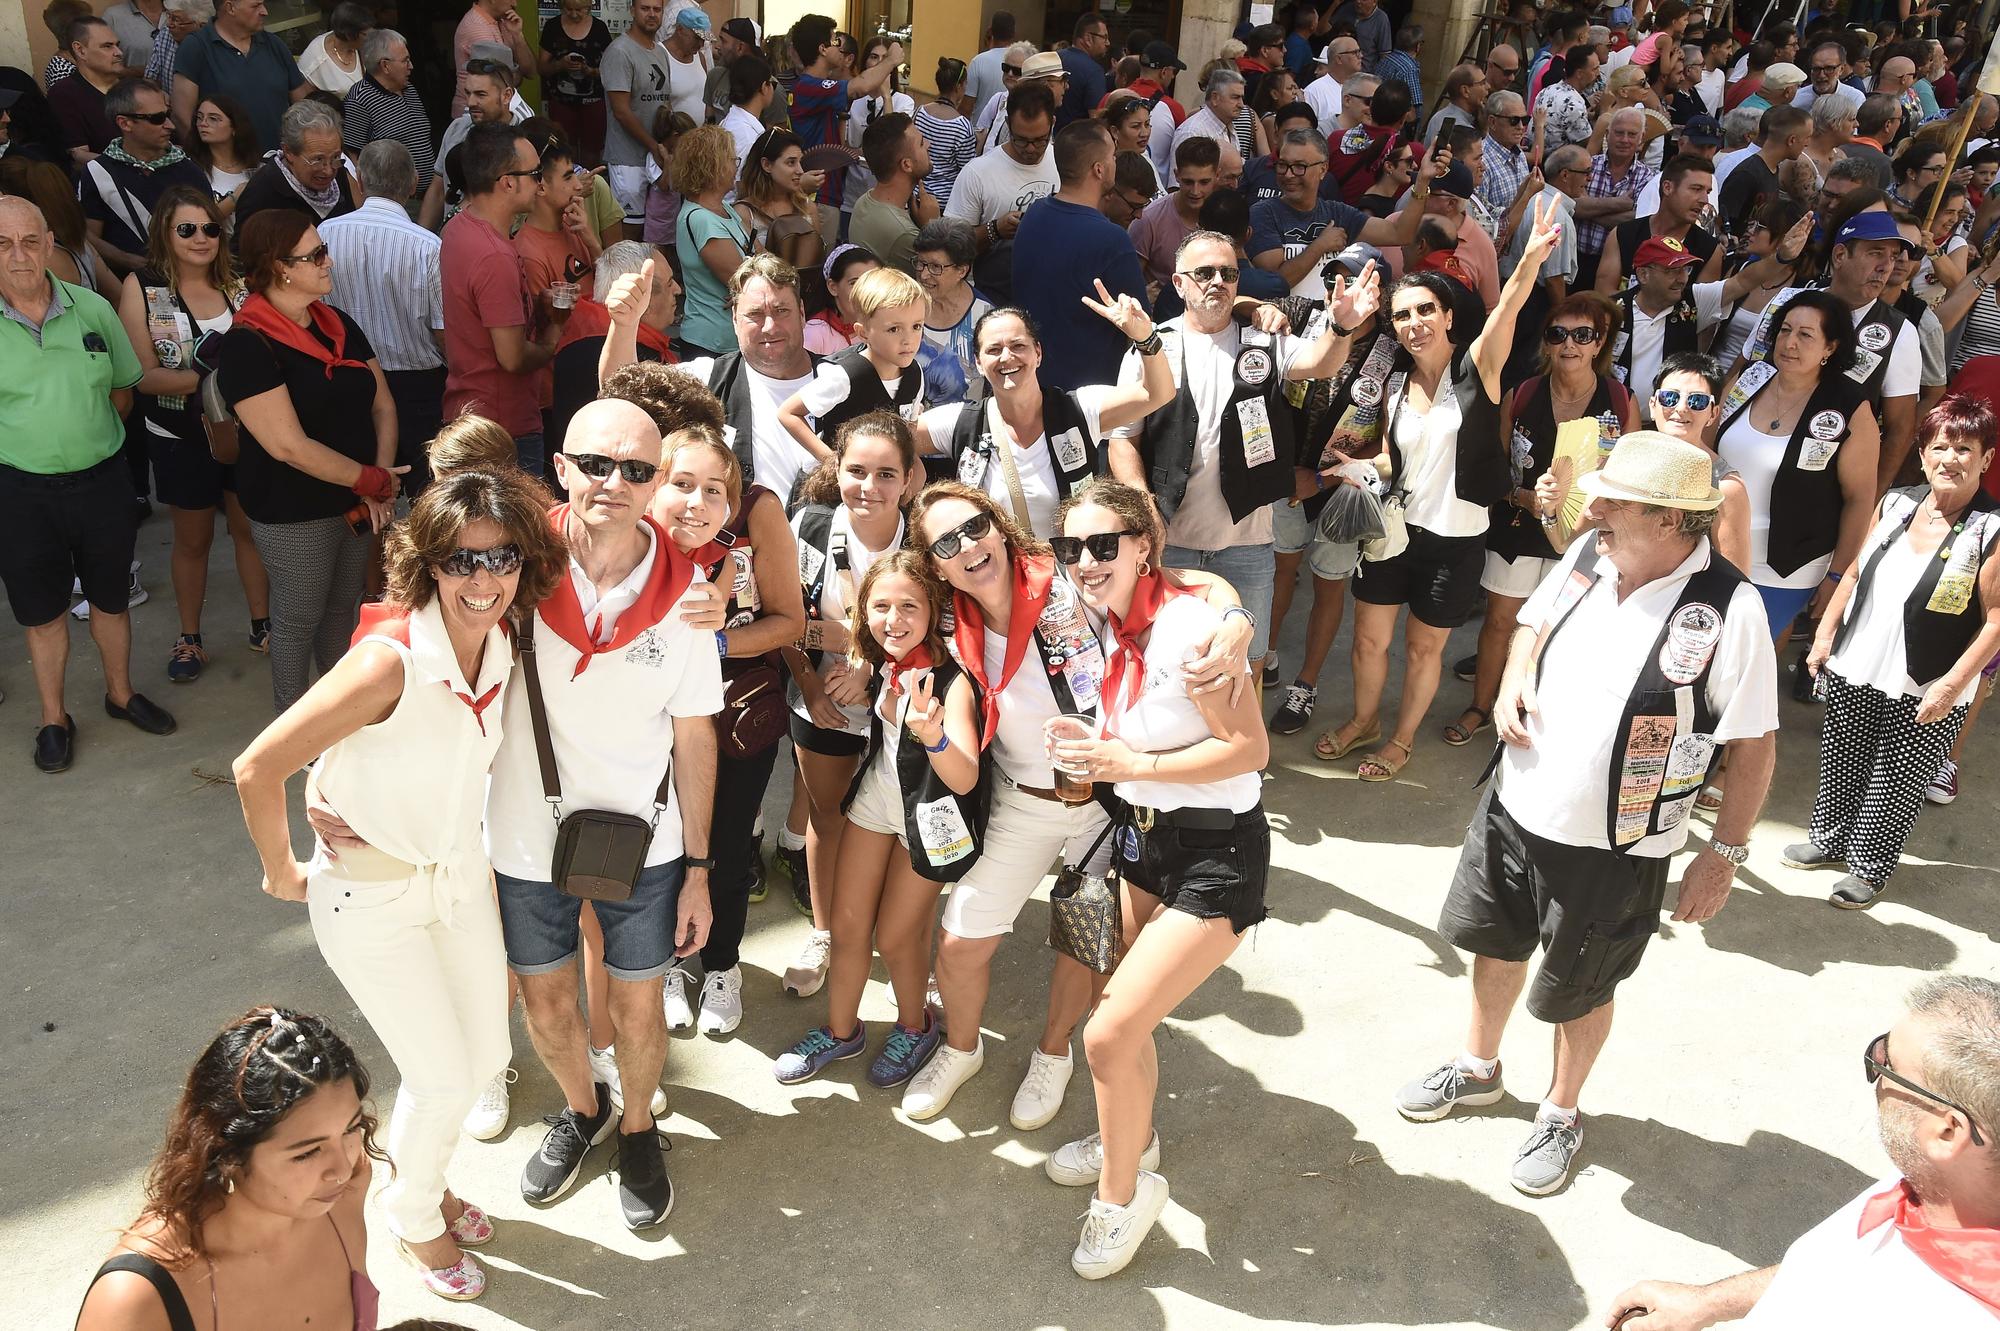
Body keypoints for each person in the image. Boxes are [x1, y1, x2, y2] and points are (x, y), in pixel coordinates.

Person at [1395, 430, 1777, 1197]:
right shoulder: (1589, 554)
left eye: (1614, 500)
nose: (1591, 507)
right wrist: (1510, 683)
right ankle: (1478, 1067)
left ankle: (1562, 1110)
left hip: (1618, 844)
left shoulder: (1729, 607)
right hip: (1515, 805)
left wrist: (1723, 855)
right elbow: (1532, 622)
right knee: (1494, 943)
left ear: (1672, 520)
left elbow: (1757, 742)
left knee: (1583, 983)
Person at [233, 467, 562, 1298]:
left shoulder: (507, 637)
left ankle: (432, 1178)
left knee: (485, 1053)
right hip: (371, 900)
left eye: (502, 559)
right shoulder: (388, 661)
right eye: (461, 562)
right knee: (442, 1075)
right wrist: (282, 870)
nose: (483, 580)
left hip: (456, 881)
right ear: (428, 566)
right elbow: (256, 765)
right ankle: (415, 1217)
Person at [1046, 477, 1271, 1280]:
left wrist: (1131, 761)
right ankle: (1130, 1141)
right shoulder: (1103, 620)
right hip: (1144, 842)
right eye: (1072, 546)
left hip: (1217, 854)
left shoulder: (1187, 633)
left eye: (1104, 544)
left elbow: (1250, 750)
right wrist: (1094, 756)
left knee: (1106, 1032)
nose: (1085, 560)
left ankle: (1122, 1196)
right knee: (1126, 1026)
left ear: (1144, 546)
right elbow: (1207, 582)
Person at [1314, 201, 1561, 781]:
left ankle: (1400, 739)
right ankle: (1365, 721)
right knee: (1368, 643)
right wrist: (1356, 466)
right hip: (1393, 534)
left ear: (1449, 317)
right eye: (1403, 315)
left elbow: (1509, 309)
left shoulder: (1478, 368)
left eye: (1426, 310)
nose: (1414, 322)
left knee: (1425, 650)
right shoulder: (1396, 383)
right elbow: (1398, 458)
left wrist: (1527, 259)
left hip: (1456, 540)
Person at [1608, 975, 2000, 1326]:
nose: (1876, 1070)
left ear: (1948, 1132)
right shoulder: (1938, 1185)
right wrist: (1707, 1302)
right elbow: (1826, 1271)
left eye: (1887, 1064)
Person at [1107, 231, 1386, 704]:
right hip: (1170, 540)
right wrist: (1141, 504)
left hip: (1249, 541)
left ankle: (1244, 763)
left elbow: (1319, 363)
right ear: (1178, 283)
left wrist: (1340, 328)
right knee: (1168, 655)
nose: (1217, 282)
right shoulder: (1151, 348)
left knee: (1250, 659)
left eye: (1228, 273)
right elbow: (1123, 442)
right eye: (1204, 273)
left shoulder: (1265, 339)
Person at [1786, 397, 2000, 909]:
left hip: (1929, 675)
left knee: (1896, 779)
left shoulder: (1992, 529)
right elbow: (1857, 570)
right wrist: (1822, 636)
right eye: (1939, 447)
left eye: (1964, 448)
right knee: (1843, 756)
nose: (1950, 458)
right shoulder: (1899, 503)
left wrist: (1952, 687)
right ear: (1923, 455)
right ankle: (1829, 837)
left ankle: (1870, 866)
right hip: (1859, 658)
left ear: (1986, 458)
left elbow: (1996, 620)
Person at [770, 539, 971, 1087]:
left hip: (928, 820)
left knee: (897, 937)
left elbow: (968, 774)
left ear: (933, 611)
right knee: (848, 925)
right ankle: (841, 1034)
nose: (894, 619)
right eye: (881, 607)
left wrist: (932, 736)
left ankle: (915, 1025)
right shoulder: (885, 660)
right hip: (875, 806)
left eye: (909, 606)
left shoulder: (949, 679)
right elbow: (823, 632)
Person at [0, 196, 174, 773]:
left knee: (110, 598)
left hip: (101, 482)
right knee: (44, 613)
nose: (19, 255)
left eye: (30, 241)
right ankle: (54, 717)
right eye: (3, 244)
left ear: (51, 243)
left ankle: (120, 694)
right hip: (22, 493)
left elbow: (123, 392)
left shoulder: (93, 310)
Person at [74, 1007, 382, 1330]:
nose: (341, 1169)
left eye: (350, 1129)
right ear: (227, 1153)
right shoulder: (135, 1298)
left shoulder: (342, 1193)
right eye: (306, 1153)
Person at [646, 424, 804, 1034]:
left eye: (714, 488)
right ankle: (664, 965)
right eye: (680, 483)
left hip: (735, 708)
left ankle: (722, 965)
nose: (697, 501)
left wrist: (713, 641)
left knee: (729, 843)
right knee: (659, 845)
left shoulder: (753, 523)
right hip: (652, 716)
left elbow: (790, 621)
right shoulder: (631, 542)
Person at [215, 207, 397, 719]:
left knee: (342, 611)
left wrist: (376, 483)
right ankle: (293, 728)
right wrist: (373, 479)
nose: (328, 261)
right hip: (294, 509)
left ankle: (341, 715)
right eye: (315, 254)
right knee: (298, 621)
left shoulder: (337, 323)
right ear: (280, 268)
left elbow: (382, 403)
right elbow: (287, 446)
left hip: (355, 497)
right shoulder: (248, 345)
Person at [1444, 294, 1636, 751]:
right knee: (1500, 620)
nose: (1569, 344)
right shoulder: (1524, 392)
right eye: (1558, 334)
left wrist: (1599, 512)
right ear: (1546, 343)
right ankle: (1482, 705)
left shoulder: (1620, 399)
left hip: (1587, 533)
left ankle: (1542, 710)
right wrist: (1522, 497)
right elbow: (1494, 464)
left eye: (1582, 335)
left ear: (1599, 343)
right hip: (1519, 526)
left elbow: (1629, 472)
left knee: (1566, 627)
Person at [777, 411, 916, 999]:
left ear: (909, 479)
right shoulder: (805, 526)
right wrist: (811, 681)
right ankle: (827, 931)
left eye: (887, 474)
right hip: (822, 697)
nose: (869, 487)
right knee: (825, 815)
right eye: (856, 471)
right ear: (836, 471)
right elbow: (779, 620)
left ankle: (904, 943)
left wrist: (872, 665)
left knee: (906, 824)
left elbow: (946, 630)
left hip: (906, 702)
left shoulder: (930, 539)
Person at [115, 185, 268, 683]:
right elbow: (141, 376)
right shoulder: (143, 286)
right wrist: (216, 377)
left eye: (210, 228)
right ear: (165, 231)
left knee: (249, 529)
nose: (201, 238)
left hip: (246, 430)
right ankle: (190, 638)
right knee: (193, 538)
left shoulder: (239, 283)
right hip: (178, 434)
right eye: (187, 229)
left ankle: (262, 625)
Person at [915, 295, 1173, 539]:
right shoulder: (962, 422)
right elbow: (890, 439)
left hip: (1074, 574)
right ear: (979, 363)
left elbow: (1157, 394)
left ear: (1038, 353)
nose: (1007, 357)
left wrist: (1145, 337)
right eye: (994, 350)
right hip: (996, 580)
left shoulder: (1080, 410)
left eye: (1018, 346)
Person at [1719, 285, 1884, 643]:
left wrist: (1837, 576)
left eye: (1805, 335)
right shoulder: (1750, 379)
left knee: (1740, 657)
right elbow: (1706, 447)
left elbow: (1859, 499)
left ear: (1831, 347)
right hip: (1716, 551)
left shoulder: (1849, 408)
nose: (1789, 342)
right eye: (1785, 330)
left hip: (1786, 568)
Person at [320, 140, 445, 498]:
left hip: (348, 378)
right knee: (429, 495)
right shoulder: (426, 246)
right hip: (419, 386)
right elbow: (442, 331)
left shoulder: (325, 234)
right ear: (413, 183)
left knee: (363, 492)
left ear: (358, 180)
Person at [442, 122, 559, 477]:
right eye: (535, 173)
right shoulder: (494, 255)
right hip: (503, 429)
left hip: (469, 413)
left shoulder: (458, 227)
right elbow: (512, 358)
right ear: (508, 181)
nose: (541, 183)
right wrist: (553, 333)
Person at [786, 15, 904, 239]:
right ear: (822, 49)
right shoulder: (810, 87)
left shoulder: (814, 87)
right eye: (834, 41)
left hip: (828, 195)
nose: (840, 49)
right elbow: (860, 86)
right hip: (817, 197)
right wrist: (890, 61)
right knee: (817, 268)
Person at [79, 77, 210, 280]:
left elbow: (210, 229)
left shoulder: (189, 169)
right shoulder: (98, 172)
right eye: (157, 118)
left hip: (191, 282)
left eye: (168, 115)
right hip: (132, 287)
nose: (170, 125)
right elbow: (89, 237)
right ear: (125, 123)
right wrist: (127, 260)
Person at [946, 80, 1061, 303]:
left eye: (1039, 140)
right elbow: (951, 245)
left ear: (1053, 123)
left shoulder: (1064, 163)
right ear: (1007, 124)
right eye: (1021, 140)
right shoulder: (977, 173)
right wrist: (995, 230)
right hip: (993, 299)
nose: (1030, 149)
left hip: (1051, 296)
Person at [553, 242, 678, 446]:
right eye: (670, 283)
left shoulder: (579, 329)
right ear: (640, 296)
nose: (678, 290)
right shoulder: (628, 353)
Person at [170, 0, 307, 156]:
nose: (265, 11)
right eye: (256, 6)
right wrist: (208, 162)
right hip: (226, 168)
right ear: (230, 8)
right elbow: (182, 116)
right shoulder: (196, 47)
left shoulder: (274, 45)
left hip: (279, 161)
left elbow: (303, 105)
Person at [674, 124, 752, 357]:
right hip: (710, 342)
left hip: (728, 338)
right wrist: (748, 279)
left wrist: (750, 276)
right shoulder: (701, 219)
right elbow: (743, 280)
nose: (735, 166)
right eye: (731, 159)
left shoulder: (725, 208)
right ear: (713, 166)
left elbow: (763, 263)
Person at [1594, 152, 1722, 293]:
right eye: (1696, 189)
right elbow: (1603, 292)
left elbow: (1699, 308)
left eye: (1708, 192)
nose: (1704, 200)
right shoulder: (1623, 235)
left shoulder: (1709, 250)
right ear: (1667, 188)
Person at [601, 0, 678, 230]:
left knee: (658, 230)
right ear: (632, 10)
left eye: (657, 9)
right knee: (630, 232)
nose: (652, 14)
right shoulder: (619, 51)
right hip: (628, 159)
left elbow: (665, 103)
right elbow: (621, 112)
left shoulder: (661, 52)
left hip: (658, 156)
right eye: (645, 8)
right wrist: (655, 147)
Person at [341, 30, 436, 206]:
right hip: (396, 203)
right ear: (385, 66)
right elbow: (353, 158)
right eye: (405, 60)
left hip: (430, 197)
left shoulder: (410, 90)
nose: (411, 66)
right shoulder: (360, 99)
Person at [512, 121, 600, 310]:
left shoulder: (575, 227)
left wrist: (592, 241)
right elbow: (544, 328)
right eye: (568, 177)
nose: (578, 185)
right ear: (541, 187)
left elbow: (610, 287)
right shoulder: (529, 254)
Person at [234, 100, 357, 231]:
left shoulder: (339, 176)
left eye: (336, 157)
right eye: (318, 160)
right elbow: (243, 249)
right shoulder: (261, 195)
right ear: (289, 152)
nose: (328, 171)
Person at [911, 219, 988, 407]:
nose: (924, 274)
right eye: (921, 263)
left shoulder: (985, 319)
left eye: (936, 267)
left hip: (958, 429)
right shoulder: (905, 303)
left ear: (962, 270)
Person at [1129, 135, 1222, 290]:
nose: (1195, 191)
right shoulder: (1149, 220)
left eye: (1204, 182)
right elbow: (1130, 281)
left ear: (1217, 176)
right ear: (1176, 175)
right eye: (1188, 182)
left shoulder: (1224, 214)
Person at [850, 111, 932, 275]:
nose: (929, 144)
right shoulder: (904, 234)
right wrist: (932, 226)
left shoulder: (864, 201)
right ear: (906, 165)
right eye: (922, 143)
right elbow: (936, 282)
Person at [733, 127, 826, 273]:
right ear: (767, 165)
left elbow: (818, 262)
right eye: (791, 162)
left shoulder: (807, 207)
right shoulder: (744, 213)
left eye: (800, 162)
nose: (800, 170)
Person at [538, 0, 611, 168]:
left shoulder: (599, 29)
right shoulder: (552, 27)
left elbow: (612, 70)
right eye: (568, 9)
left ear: (590, 6)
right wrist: (560, 65)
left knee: (592, 151)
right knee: (562, 149)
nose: (574, 14)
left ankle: (591, 187)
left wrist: (590, 71)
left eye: (580, 10)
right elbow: (541, 68)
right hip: (561, 102)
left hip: (593, 102)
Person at [49, 15, 127, 163]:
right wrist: (129, 165)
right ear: (80, 50)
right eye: (107, 46)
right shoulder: (65, 94)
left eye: (117, 45)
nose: (119, 52)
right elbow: (78, 154)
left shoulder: (132, 88)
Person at [450, 0, 533, 121]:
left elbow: (530, 72)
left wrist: (518, 35)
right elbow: (504, 80)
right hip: (473, 116)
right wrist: (515, 72)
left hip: (495, 113)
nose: (515, 4)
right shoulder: (476, 26)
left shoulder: (504, 22)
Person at [917, 57, 976, 211]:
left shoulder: (920, 112)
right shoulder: (962, 126)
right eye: (965, 84)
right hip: (943, 203)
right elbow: (967, 171)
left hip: (917, 195)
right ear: (958, 86)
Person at [187, 92, 256, 218]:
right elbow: (199, 220)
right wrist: (235, 198)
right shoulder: (191, 169)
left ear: (234, 127)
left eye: (213, 119)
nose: (203, 123)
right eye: (199, 117)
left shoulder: (257, 167)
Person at [805, 243, 878, 353]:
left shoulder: (886, 326)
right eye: (854, 283)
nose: (865, 291)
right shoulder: (814, 334)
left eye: (872, 281)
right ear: (833, 287)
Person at [297, 1, 368, 97]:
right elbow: (305, 105)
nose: (371, 37)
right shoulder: (315, 63)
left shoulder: (360, 47)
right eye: (365, 34)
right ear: (349, 36)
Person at [1059, 13, 1111, 129]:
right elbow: (1096, 119)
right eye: (1104, 37)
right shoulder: (1094, 71)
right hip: (1076, 142)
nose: (1108, 43)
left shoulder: (1054, 58)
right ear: (1088, 39)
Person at [1304, 33, 1364, 134]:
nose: (1361, 56)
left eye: (1359, 51)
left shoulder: (1363, 88)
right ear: (1339, 59)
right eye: (1355, 52)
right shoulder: (1314, 91)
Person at [964, 11, 1016, 116]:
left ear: (990, 31)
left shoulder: (978, 62)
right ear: (1013, 34)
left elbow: (966, 108)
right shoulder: (1020, 63)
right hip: (1006, 130)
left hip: (979, 129)